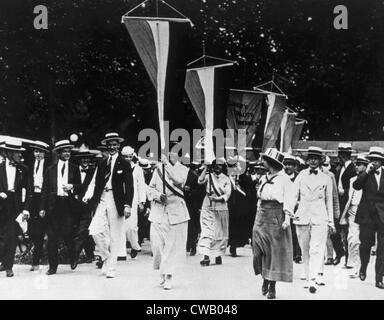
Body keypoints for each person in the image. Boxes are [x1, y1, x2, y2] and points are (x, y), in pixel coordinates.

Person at [85, 132, 133, 278]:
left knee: (115, 235)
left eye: (115, 144)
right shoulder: (102, 163)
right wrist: (88, 196)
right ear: (107, 146)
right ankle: (106, 257)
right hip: (102, 198)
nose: (112, 147)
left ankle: (111, 267)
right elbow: (94, 181)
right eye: (110, 144)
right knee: (94, 230)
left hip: (116, 199)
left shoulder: (124, 163)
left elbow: (129, 186)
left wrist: (127, 205)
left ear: (118, 146)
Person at [253, 148, 294, 299]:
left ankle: (271, 285)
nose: (262, 161)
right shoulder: (264, 178)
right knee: (258, 250)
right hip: (261, 215)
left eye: (264, 159)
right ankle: (265, 276)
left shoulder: (285, 180)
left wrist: (287, 219)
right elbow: (259, 198)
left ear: (270, 162)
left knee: (274, 252)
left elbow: (289, 199)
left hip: (276, 216)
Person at [293, 146, 335, 294]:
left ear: (320, 160)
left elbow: (329, 200)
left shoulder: (326, 178)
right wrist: (289, 213)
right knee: (305, 249)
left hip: (320, 217)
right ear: (307, 159)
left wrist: (331, 221)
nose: (312, 160)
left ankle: (313, 278)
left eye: (316, 158)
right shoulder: (301, 175)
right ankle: (307, 276)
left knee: (317, 248)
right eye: (310, 157)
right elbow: (293, 195)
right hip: (302, 216)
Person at [147, 145, 190, 290]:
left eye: (174, 153)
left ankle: (169, 276)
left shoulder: (183, 169)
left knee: (171, 247)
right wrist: (158, 196)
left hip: (176, 211)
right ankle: (162, 270)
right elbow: (150, 188)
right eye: (168, 152)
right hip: (158, 211)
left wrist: (166, 165)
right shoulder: (158, 169)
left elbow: (178, 180)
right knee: (157, 245)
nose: (171, 155)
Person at [40, 139, 81, 275]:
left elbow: (80, 187)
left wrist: (72, 187)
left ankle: (73, 256)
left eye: (69, 151)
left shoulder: (75, 169)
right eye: (64, 151)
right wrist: (42, 208)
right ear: (58, 153)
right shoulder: (50, 170)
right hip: (53, 205)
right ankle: (53, 266)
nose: (67, 153)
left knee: (68, 233)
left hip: (68, 205)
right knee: (52, 237)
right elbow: (44, 190)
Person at [353, 146, 384, 289]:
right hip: (367, 216)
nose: (375, 163)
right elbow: (356, 185)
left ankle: (379, 278)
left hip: (382, 216)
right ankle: (363, 267)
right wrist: (366, 172)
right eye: (373, 160)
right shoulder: (365, 174)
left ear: (382, 162)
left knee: (382, 249)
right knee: (365, 245)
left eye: (378, 160)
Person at [0, 138, 30, 277]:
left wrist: (25, 209)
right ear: (9, 153)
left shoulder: (23, 169)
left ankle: (8, 267)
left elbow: (28, 191)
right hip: (1, 203)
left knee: (11, 236)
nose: (20, 156)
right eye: (17, 153)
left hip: (15, 206)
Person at [197, 157, 231, 267]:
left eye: (220, 165)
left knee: (219, 232)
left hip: (220, 207)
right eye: (216, 165)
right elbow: (200, 181)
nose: (218, 167)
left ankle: (217, 254)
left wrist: (217, 199)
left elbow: (227, 194)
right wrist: (205, 168)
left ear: (223, 167)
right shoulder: (209, 177)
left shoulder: (226, 179)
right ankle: (206, 256)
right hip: (208, 205)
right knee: (207, 230)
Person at [339, 155, 367, 278]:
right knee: (352, 238)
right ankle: (354, 265)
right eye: (356, 164)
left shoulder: (370, 178)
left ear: (366, 166)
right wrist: (349, 208)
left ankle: (361, 267)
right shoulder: (352, 180)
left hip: (366, 211)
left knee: (364, 240)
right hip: (353, 211)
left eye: (360, 164)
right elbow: (350, 196)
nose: (357, 166)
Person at [26, 140, 50, 271]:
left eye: (40, 151)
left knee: (40, 230)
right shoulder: (30, 165)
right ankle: (40, 251)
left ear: (45, 153)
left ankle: (36, 260)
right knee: (31, 230)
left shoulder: (49, 166)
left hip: (43, 198)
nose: (38, 154)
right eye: (36, 151)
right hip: (32, 198)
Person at [334, 143, 356, 266]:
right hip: (338, 203)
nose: (339, 157)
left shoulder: (353, 169)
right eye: (339, 154)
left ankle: (348, 258)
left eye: (342, 155)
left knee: (347, 231)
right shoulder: (339, 168)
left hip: (347, 203)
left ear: (347, 155)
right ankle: (339, 252)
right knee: (334, 230)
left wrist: (344, 191)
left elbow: (355, 188)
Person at [73, 146, 96, 264]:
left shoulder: (93, 171)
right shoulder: (74, 171)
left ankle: (75, 256)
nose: (85, 161)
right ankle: (90, 253)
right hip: (75, 205)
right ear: (79, 160)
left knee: (82, 230)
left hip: (88, 205)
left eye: (87, 158)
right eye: (83, 159)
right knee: (81, 230)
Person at [121, 146, 146, 259]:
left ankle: (134, 245)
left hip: (133, 199)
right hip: (120, 198)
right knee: (121, 225)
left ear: (132, 157)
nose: (127, 158)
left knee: (131, 225)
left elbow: (141, 185)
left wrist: (142, 201)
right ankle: (120, 250)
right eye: (125, 156)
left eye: (129, 156)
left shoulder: (137, 169)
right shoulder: (119, 167)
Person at [227, 155, 251, 257]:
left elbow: (249, 191)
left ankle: (235, 246)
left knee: (237, 226)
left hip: (240, 206)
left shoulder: (245, 178)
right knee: (229, 225)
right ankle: (229, 245)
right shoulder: (228, 177)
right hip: (229, 204)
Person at [283, 154, 301, 264]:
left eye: (290, 165)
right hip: (284, 207)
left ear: (295, 167)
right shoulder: (281, 177)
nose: (288, 167)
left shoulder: (299, 177)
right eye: (286, 164)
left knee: (296, 231)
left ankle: (297, 253)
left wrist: (298, 202)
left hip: (297, 208)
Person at [184, 160, 201, 256]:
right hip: (183, 203)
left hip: (192, 204)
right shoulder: (179, 174)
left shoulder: (194, 176)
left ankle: (193, 246)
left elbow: (199, 191)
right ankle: (187, 245)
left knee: (192, 226)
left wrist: (190, 190)